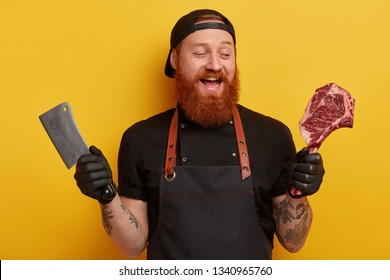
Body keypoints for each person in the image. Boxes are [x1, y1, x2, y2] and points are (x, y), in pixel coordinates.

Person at [74, 9, 325, 260]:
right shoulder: (139, 139)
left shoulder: (273, 137)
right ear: (175, 59)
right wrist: (107, 196)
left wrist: (297, 192)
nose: (215, 64)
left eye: (225, 53)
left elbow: (293, 242)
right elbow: (132, 247)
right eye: (200, 53)